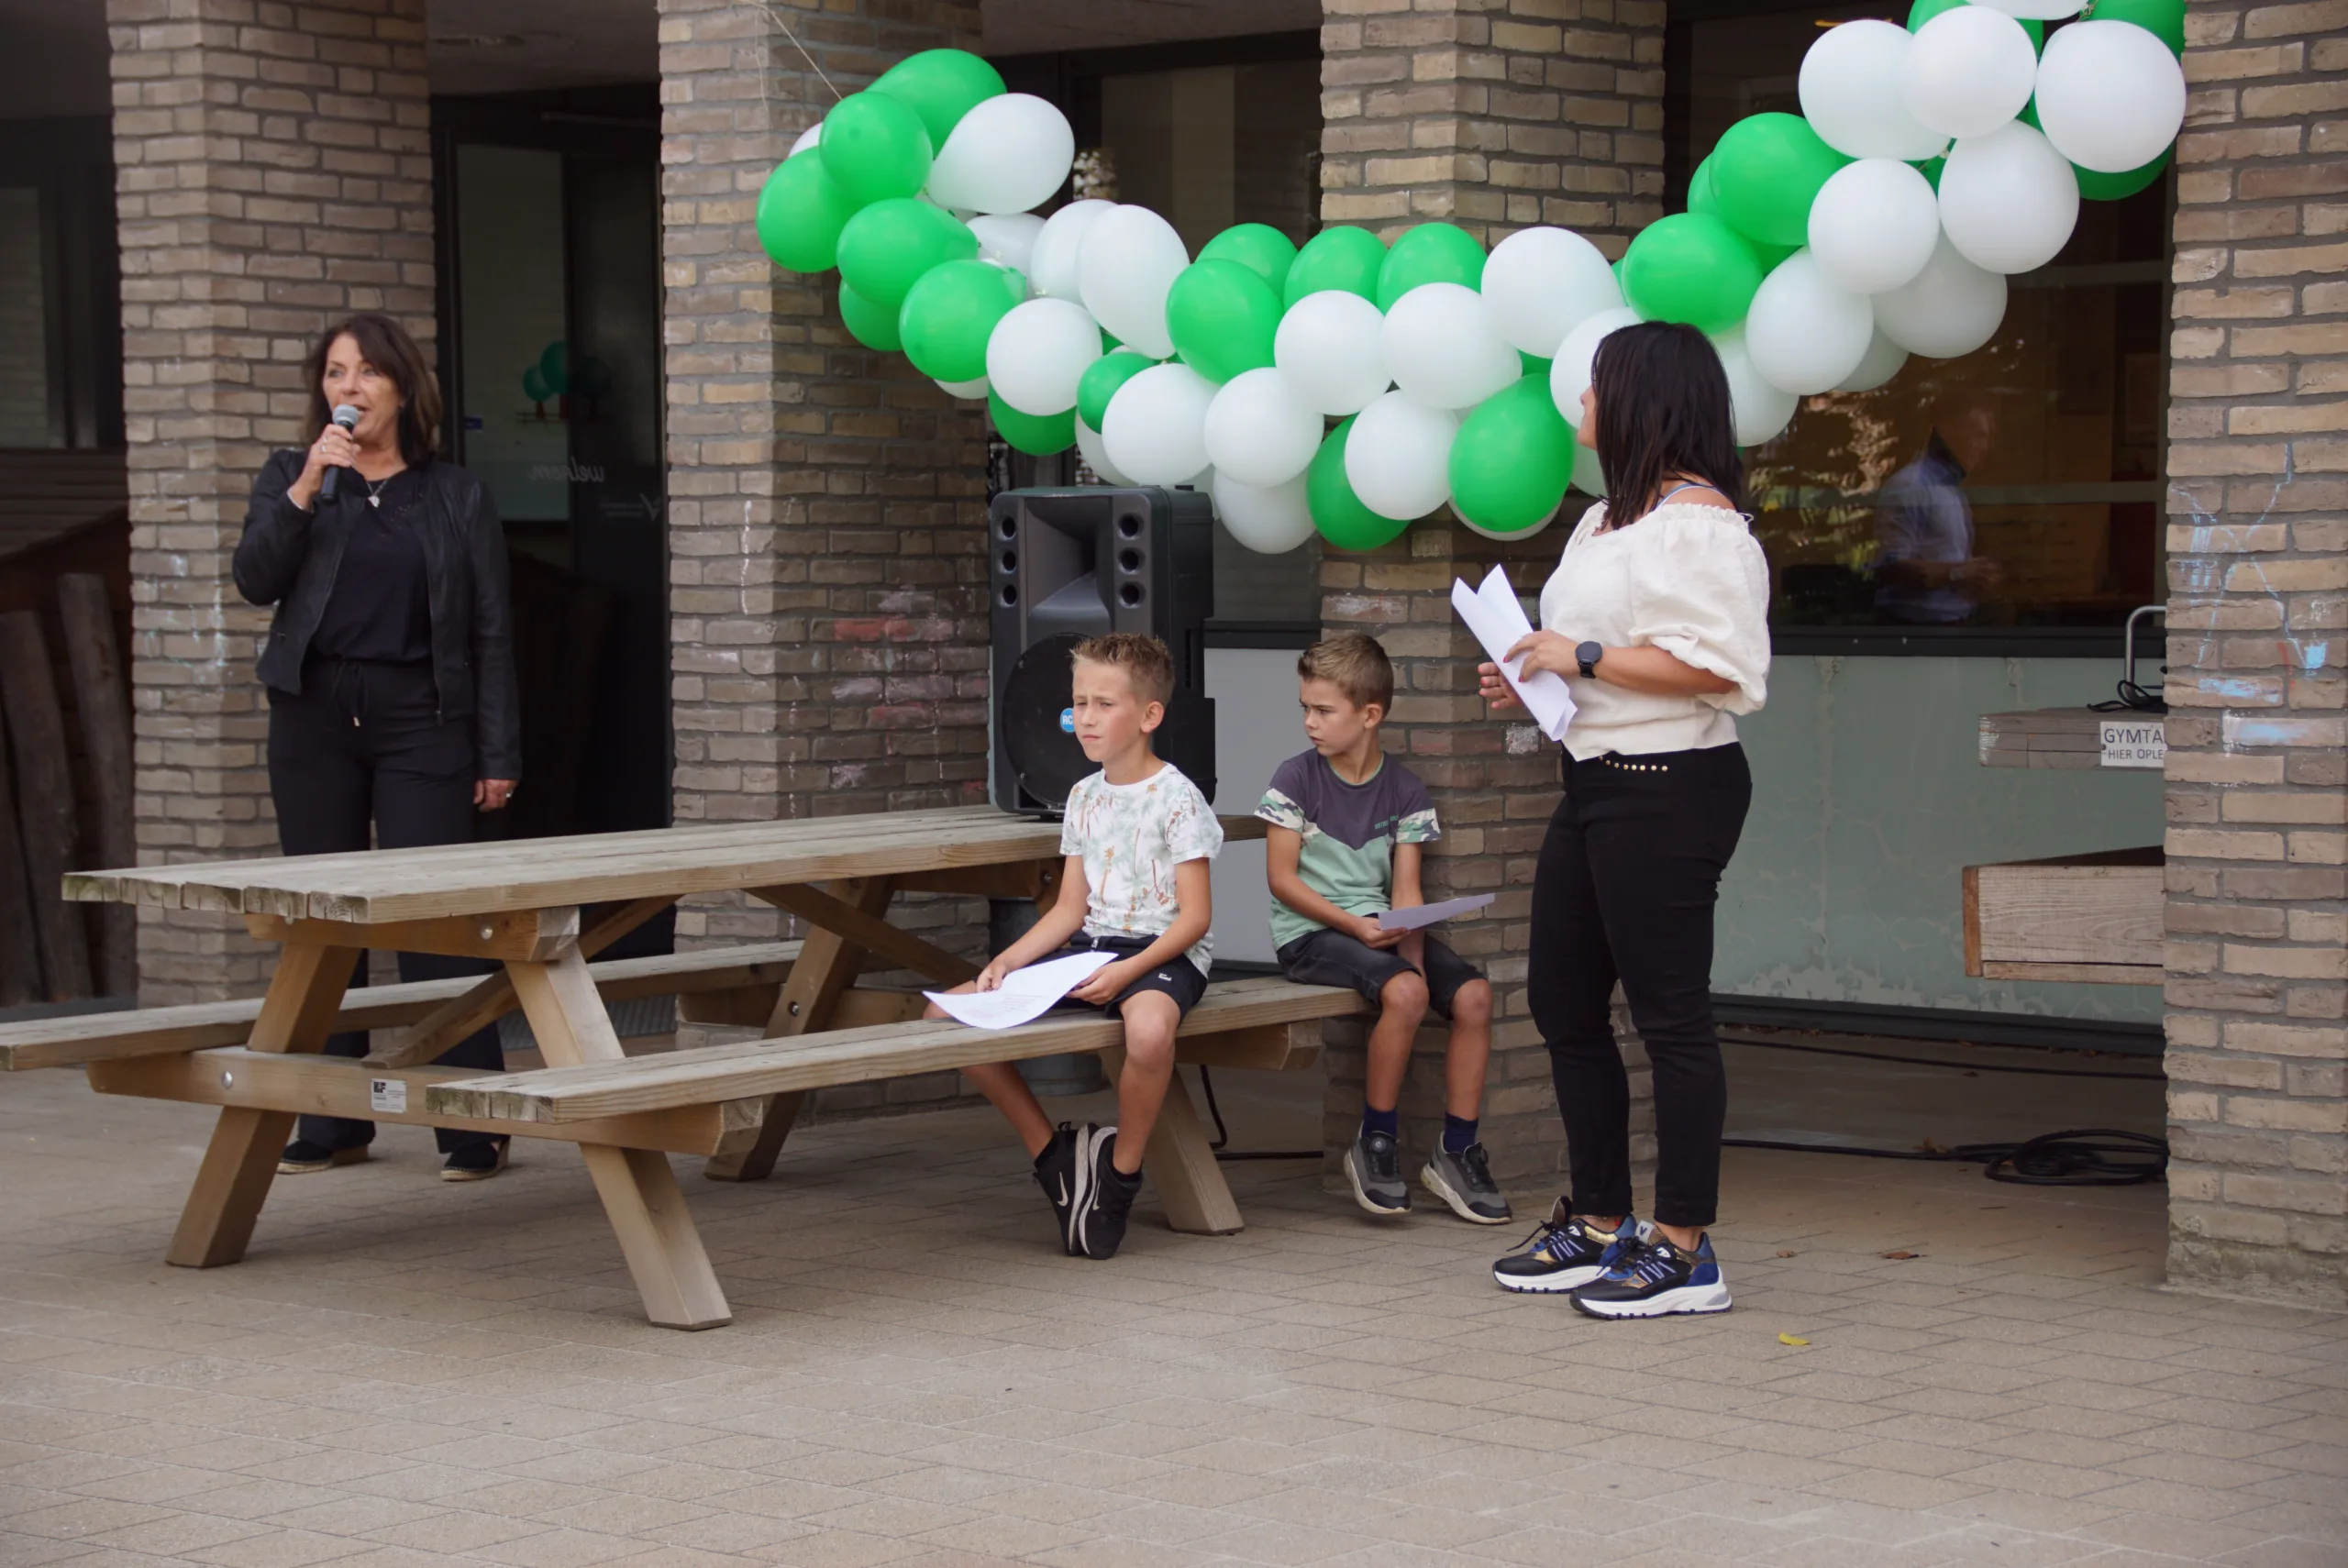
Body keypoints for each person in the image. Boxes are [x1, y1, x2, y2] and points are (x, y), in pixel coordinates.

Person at [1479, 320, 1769, 1320]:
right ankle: (1600, 1220)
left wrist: (1584, 657)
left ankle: (1685, 1248)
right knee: (1562, 1002)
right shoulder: (1605, 519)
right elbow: (1591, 651)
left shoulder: (1701, 524)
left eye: (1596, 389)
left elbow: (1720, 669)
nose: (1582, 406)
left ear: (1644, 399)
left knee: (1669, 1017)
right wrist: (1533, 670)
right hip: (1595, 777)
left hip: (1672, 784)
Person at [233, 312, 522, 1183]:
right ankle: (332, 1122)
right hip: (314, 716)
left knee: (433, 919)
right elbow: (255, 579)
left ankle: (468, 1120)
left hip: (421, 717)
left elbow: (490, 627)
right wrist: (306, 485)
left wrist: (497, 750)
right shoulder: (293, 476)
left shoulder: (454, 494)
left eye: (365, 372)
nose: (348, 388)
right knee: (323, 920)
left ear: (401, 388)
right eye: (334, 373)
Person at [926, 632, 1222, 1261]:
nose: (1086, 718)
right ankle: (1053, 1156)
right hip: (1093, 949)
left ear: (1149, 715)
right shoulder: (1084, 797)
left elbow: (1195, 919)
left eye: (1103, 705)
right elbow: (1068, 909)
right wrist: (1008, 960)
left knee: (1148, 1033)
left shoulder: (1179, 799)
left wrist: (1130, 973)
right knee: (945, 1015)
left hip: (1161, 953)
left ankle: (1118, 1178)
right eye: (1079, 703)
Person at [1257, 633, 1505, 1225]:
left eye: (1323, 710)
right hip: (1309, 934)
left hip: (1377, 929)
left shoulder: (1405, 789)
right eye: (1305, 708)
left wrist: (1409, 954)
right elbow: (1281, 880)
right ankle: (1375, 1142)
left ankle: (1457, 1151)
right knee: (1406, 990)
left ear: (1370, 715)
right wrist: (1356, 927)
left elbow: (1406, 892)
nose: (1310, 723)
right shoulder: (1296, 779)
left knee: (1473, 995)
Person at [1875, 395, 2003, 624]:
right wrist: (1960, 573)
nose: (1985, 447)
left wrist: (1978, 578)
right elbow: (1891, 569)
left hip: (1951, 628)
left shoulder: (1952, 491)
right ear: (1951, 434)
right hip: (1914, 632)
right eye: (1979, 436)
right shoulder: (1910, 487)